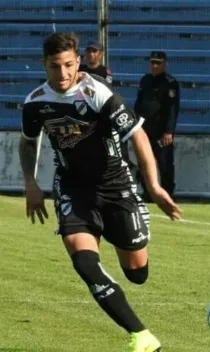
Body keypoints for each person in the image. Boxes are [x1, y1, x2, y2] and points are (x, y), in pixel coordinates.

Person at [18, 32, 181, 352]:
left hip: (116, 185)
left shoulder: (98, 93)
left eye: (68, 65)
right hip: (73, 189)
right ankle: (141, 336)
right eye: (54, 66)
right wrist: (30, 182)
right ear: (44, 65)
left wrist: (154, 186)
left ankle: (124, 232)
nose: (62, 74)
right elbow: (27, 140)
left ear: (77, 61)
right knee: (84, 263)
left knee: (137, 273)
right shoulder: (35, 102)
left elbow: (138, 136)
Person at [134, 51, 180, 199]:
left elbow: (173, 109)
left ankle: (167, 193)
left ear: (165, 64)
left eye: (158, 63)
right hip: (145, 129)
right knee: (144, 161)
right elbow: (139, 104)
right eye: (152, 62)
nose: (154, 66)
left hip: (161, 130)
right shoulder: (145, 80)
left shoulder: (170, 82)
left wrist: (169, 131)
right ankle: (148, 192)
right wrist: (135, 125)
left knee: (165, 163)